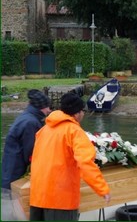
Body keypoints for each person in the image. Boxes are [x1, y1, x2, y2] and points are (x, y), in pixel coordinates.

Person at [29, 93, 111, 221]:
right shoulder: (74, 131)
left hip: (37, 196)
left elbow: (34, 158)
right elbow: (85, 163)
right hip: (61, 199)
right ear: (77, 113)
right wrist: (102, 189)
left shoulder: (44, 130)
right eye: (83, 111)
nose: (83, 114)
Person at [1, 89, 51, 190]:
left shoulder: (26, 116)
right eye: (47, 107)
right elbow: (30, 152)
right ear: (41, 107)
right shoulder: (31, 123)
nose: (49, 110)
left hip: (9, 168)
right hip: (15, 172)